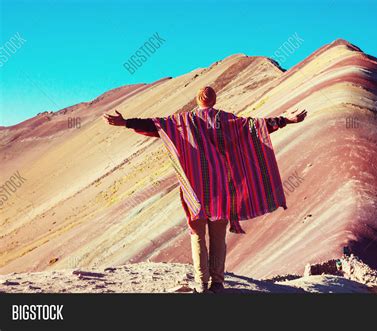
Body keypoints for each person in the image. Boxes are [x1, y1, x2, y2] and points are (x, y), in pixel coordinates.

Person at [104, 86, 307, 293]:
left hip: (196, 191)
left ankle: (201, 284)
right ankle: (217, 283)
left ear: (197, 101)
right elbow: (256, 126)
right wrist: (285, 119)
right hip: (222, 191)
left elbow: (155, 125)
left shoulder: (182, 122)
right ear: (214, 100)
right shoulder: (228, 121)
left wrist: (126, 122)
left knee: (197, 236)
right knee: (218, 238)